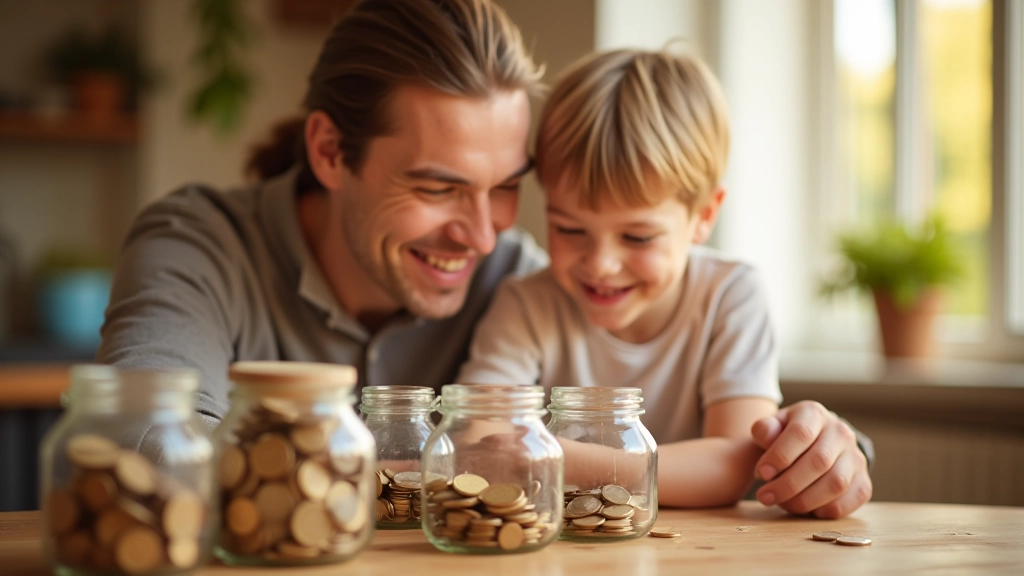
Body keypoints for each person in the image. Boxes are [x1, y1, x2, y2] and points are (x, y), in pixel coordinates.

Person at [97, 0, 870, 518]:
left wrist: (826, 451)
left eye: (505, 189)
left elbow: (733, 439)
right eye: (438, 187)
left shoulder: (518, 274)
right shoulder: (199, 245)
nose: (482, 234)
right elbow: (149, 446)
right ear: (331, 151)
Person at [456, 48, 873, 518]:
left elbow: (733, 464)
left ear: (704, 216)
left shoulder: (729, 296)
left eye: (637, 236)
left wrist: (552, 457)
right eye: (570, 229)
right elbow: (479, 440)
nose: (602, 264)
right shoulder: (523, 303)